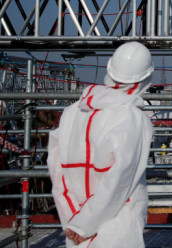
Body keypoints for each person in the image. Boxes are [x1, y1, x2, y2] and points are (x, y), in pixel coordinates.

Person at [48, 42, 154, 247]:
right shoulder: (132, 117)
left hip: (75, 221)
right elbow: (120, 179)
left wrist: (73, 220)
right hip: (116, 224)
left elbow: (57, 169)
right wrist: (85, 224)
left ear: (109, 68)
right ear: (146, 78)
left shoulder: (72, 112)